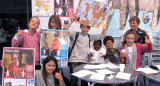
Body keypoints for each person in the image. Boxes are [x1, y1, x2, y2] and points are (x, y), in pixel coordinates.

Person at [64, 15, 108, 86]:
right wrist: (71, 21)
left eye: (88, 27)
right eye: (84, 27)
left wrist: (105, 25)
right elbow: (64, 31)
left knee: (84, 80)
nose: (86, 29)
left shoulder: (89, 36)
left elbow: (102, 36)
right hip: (74, 60)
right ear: (80, 27)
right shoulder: (75, 34)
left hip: (84, 61)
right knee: (74, 79)